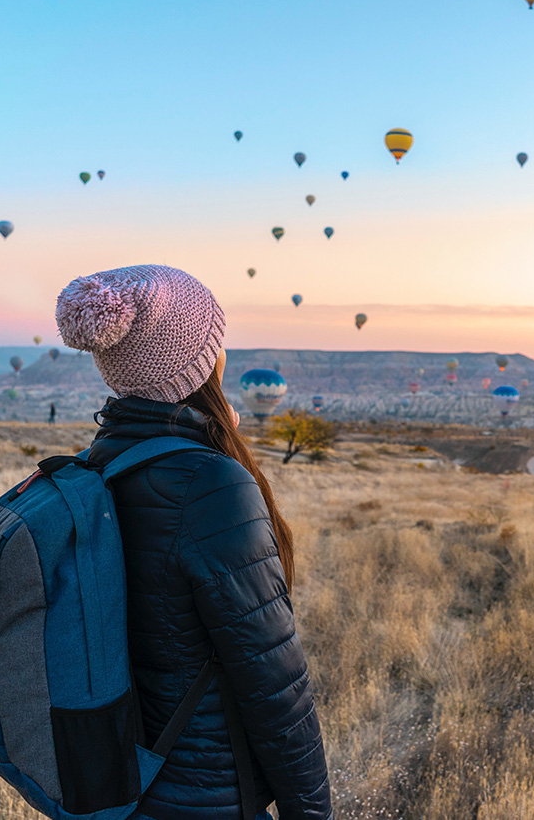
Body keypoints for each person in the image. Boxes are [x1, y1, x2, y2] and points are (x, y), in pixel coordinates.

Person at [55, 265, 333, 820]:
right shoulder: (209, 484)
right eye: (216, 341)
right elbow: (273, 679)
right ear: (201, 364)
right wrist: (312, 811)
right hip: (204, 793)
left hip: (116, 784)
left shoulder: (96, 467)